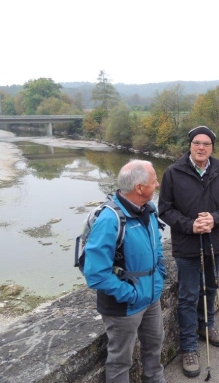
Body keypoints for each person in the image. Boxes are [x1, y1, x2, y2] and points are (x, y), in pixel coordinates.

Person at [158, 126, 219, 378]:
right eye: (196, 143)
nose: (201, 147)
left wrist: (215, 218)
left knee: (212, 287)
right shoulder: (173, 172)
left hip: (215, 240)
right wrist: (190, 225)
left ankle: (207, 325)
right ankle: (189, 347)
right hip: (187, 245)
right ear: (190, 145)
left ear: (212, 147)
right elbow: (165, 210)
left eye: (206, 144)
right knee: (188, 295)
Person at [84, 160, 167, 383]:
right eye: (154, 181)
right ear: (139, 188)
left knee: (154, 347)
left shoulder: (149, 209)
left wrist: (159, 276)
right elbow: (95, 274)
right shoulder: (110, 219)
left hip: (151, 296)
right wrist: (130, 294)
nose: (157, 184)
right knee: (121, 360)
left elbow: (157, 245)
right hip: (123, 304)